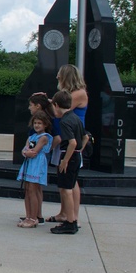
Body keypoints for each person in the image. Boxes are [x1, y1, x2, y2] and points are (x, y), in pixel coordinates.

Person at [49, 90, 83, 235]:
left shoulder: (65, 121)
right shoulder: (75, 118)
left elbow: (72, 143)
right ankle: (71, 219)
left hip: (69, 156)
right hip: (77, 157)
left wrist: (65, 161)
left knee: (66, 190)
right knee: (68, 187)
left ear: (56, 105)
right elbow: (85, 137)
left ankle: (70, 222)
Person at [16, 112, 53, 228]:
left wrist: (27, 152)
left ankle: (34, 218)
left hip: (37, 164)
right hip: (29, 164)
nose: (37, 125)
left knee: (33, 190)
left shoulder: (44, 137)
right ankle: (28, 216)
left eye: (39, 123)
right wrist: (26, 152)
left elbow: (34, 152)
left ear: (45, 124)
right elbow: (25, 150)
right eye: (35, 123)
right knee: (27, 189)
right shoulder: (31, 137)